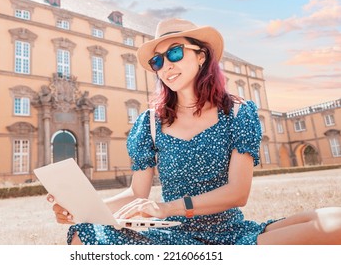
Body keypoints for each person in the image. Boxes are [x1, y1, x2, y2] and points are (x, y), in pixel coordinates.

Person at [48, 18, 341, 245]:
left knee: (334, 222)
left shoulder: (238, 113)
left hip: (229, 234)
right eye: (157, 60)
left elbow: (238, 194)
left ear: (201, 56)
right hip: (170, 235)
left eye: (175, 52)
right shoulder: (150, 123)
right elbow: (137, 192)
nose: (166, 66)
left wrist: (165, 208)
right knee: (82, 233)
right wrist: (82, 207)